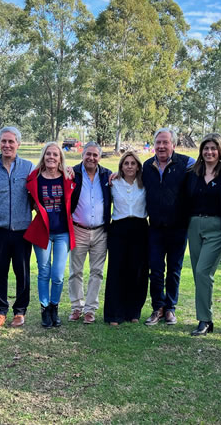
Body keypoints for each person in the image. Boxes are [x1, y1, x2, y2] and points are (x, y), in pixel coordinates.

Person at [0, 126, 34, 328]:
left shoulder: (28, 168)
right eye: (4, 141)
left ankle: (20, 311)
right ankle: (0, 311)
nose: (7, 145)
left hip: (22, 231)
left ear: (18, 144)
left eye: (11, 142)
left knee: (23, 272)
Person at [183, 133, 221, 336]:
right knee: (200, 274)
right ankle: (206, 317)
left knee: (202, 272)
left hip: (217, 228)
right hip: (194, 225)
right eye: (206, 148)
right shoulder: (192, 173)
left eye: (213, 148)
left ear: (220, 151)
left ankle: (204, 320)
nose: (209, 152)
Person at [141, 128, 195, 326]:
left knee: (174, 270)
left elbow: (211, 169)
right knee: (155, 270)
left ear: (173, 144)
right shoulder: (147, 166)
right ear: (153, 145)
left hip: (178, 227)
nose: (161, 146)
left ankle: (170, 308)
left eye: (165, 142)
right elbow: (128, 175)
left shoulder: (187, 163)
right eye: (158, 143)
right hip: (155, 228)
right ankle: (158, 308)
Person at [24, 142, 77, 329]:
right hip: (42, 231)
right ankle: (44, 308)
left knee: (58, 274)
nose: (51, 157)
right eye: (48, 154)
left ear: (60, 158)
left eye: (55, 154)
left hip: (62, 232)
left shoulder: (67, 177)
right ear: (43, 156)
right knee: (43, 272)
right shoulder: (34, 178)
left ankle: (54, 306)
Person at [68, 142, 112, 324]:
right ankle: (76, 307)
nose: (91, 158)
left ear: (99, 158)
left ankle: (90, 309)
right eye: (88, 154)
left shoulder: (107, 175)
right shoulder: (73, 173)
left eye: (95, 155)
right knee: (75, 271)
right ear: (82, 154)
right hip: (79, 229)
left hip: (101, 231)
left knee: (97, 271)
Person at [103, 150, 149, 325]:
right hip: (119, 229)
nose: (129, 166)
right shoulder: (113, 182)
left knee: (137, 272)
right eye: (126, 163)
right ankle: (114, 314)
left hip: (140, 228)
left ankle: (133, 311)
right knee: (117, 271)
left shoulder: (145, 183)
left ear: (138, 166)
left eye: (133, 163)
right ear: (121, 166)